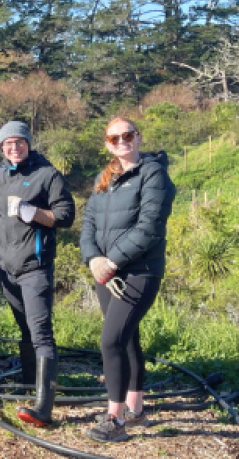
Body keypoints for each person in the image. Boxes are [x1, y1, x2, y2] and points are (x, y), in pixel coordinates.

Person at [81, 118, 175, 443]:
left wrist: (112, 260)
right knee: (127, 337)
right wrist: (93, 258)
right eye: (115, 137)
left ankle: (116, 419)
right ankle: (135, 406)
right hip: (106, 273)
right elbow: (89, 222)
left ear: (138, 138)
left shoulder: (153, 174)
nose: (122, 141)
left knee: (111, 341)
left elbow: (149, 228)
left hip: (139, 272)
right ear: (107, 143)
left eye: (128, 135)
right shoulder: (105, 178)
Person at [0, 121, 76, 427]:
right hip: (8, 269)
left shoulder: (47, 174)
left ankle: (43, 406)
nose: (14, 147)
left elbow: (66, 214)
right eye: (8, 143)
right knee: (25, 329)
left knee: (41, 333)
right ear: (1, 147)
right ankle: (28, 385)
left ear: (29, 143)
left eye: (19, 142)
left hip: (35, 267)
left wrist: (33, 212)